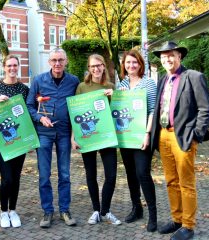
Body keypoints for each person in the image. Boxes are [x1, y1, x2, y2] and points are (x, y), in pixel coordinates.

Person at [151, 41, 209, 240]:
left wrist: (196, 135)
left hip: (183, 136)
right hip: (163, 135)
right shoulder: (162, 80)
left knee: (186, 182)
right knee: (170, 181)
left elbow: (205, 109)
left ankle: (188, 225)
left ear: (179, 56)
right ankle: (177, 219)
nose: (167, 59)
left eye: (171, 55)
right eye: (163, 56)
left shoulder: (194, 77)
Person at [27, 48, 79, 228]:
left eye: (61, 60)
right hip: (44, 133)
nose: (57, 63)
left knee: (64, 174)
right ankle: (47, 211)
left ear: (66, 62)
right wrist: (40, 117)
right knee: (44, 175)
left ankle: (65, 209)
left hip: (64, 133)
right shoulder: (39, 81)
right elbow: (29, 106)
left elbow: (79, 105)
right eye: (54, 60)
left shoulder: (73, 81)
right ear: (49, 62)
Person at [71, 54, 121, 226]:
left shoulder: (111, 86)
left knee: (111, 175)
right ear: (89, 68)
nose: (96, 69)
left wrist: (114, 95)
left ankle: (105, 210)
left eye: (99, 65)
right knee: (90, 174)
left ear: (104, 66)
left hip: (106, 137)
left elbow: (118, 111)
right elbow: (75, 114)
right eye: (93, 66)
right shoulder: (82, 87)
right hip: (88, 137)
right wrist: (73, 137)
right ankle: (95, 210)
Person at [117, 49, 158, 232]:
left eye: (135, 62)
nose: (131, 66)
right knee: (131, 174)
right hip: (126, 137)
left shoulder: (148, 83)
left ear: (141, 64)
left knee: (143, 173)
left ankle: (153, 216)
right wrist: (116, 96)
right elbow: (117, 110)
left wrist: (147, 134)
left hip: (142, 136)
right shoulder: (122, 84)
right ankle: (137, 208)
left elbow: (152, 110)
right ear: (124, 66)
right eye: (128, 63)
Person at [0, 55, 29, 228]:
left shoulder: (24, 89)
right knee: (7, 178)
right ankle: (3, 212)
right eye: (9, 65)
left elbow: (27, 114)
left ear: (18, 67)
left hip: (19, 139)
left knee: (16, 177)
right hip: (2, 141)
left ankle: (13, 210)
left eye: (15, 65)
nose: (12, 68)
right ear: (4, 67)